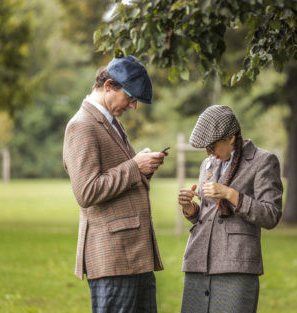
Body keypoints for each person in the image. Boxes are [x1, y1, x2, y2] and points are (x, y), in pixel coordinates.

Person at [63, 56, 165, 313]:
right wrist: (134, 166)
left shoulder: (112, 124)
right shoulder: (82, 126)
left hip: (135, 256)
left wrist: (144, 168)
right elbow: (86, 191)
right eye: (131, 98)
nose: (133, 107)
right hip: (113, 259)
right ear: (109, 85)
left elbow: (119, 178)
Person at [178, 105, 284, 313]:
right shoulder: (208, 164)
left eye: (212, 146)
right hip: (197, 262)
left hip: (236, 263)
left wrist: (231, 195)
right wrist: (189, 208)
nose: (208, 153)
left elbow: (271, 215)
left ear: (231, 138)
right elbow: (208, 214)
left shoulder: (263, 161)